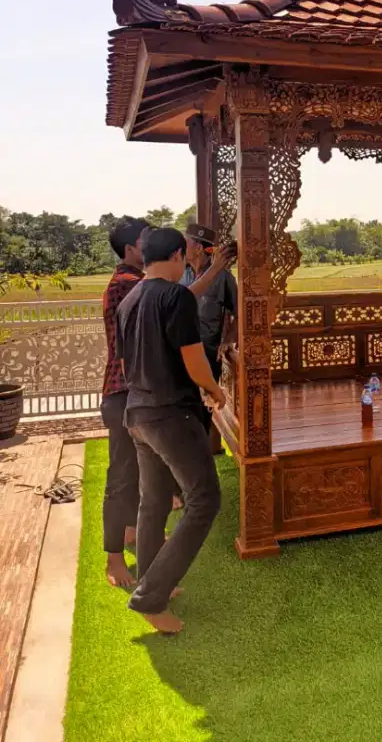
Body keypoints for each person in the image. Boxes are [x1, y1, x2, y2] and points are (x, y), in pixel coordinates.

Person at [100, 217, 233, 590]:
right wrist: (211, 387)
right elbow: (181, 311)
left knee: (152, 499)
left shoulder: (133, 292)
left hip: (135, 401)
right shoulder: (145, 289)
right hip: (155, 404)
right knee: (197, 498)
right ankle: (140, 577)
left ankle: (148, 575)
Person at [100, 217, 151, 589]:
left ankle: (132, 532)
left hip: (131, 391)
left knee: (135, 469)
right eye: (147, 241)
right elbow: (171, 296)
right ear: (132, 249)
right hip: (123, 391)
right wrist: (212, 269)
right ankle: (114, 562)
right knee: (121, 477)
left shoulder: (131, 281)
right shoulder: (127, 284)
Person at [180, 223, 237, 438]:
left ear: (198, 248)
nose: (181, 249)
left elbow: (240, 312)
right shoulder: (180, 275)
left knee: (204, 410)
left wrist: (229, 339)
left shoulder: (222, 278)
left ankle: (201, 453)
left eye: (185, 243)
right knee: (183, 409)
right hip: (180, 353)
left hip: (207, 353)